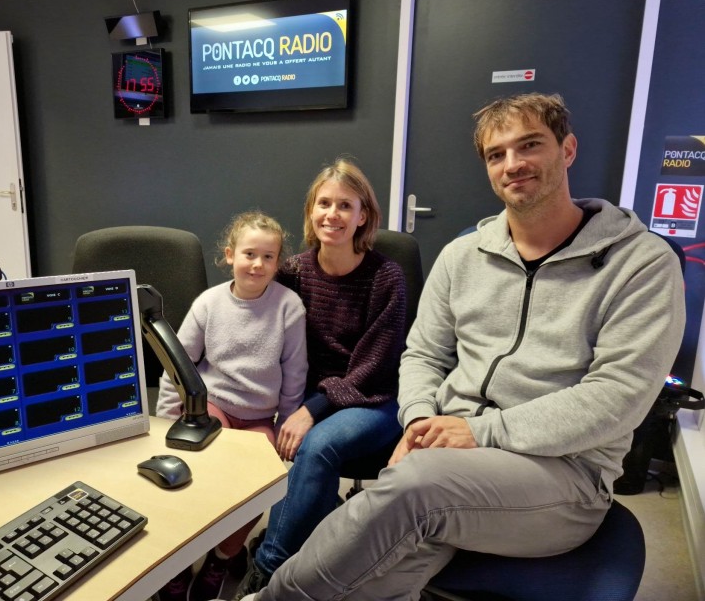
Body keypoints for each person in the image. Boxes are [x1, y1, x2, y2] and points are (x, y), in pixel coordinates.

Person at [231, 92, 686, 600]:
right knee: (372, 569)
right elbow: (424, 354)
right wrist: (419, 420)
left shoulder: (641, 263)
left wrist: (478, 432)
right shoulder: (462, 255)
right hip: (445, 455)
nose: (512, 164)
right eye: (496, 154)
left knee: (409, 494)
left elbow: (617, 397)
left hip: (563, 472)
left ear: (568, 149)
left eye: (529, 145)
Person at [234, 158, 408, 599]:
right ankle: (311, 544)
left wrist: (310, 410)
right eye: (324, 203)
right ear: (311, 210)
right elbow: (255, 325)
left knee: (317, 446)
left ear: (363, 216)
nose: (333, 214)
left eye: (345, 205)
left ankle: (267, 571)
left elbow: (372, 367)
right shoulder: (293, 271)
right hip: (309, 394)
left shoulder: (386, 276)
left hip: (372, 399)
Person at [155, 210, 308, 601]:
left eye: (268, 257)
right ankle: (174, 564)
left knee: (260, 481)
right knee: (201, 468)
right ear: (229, 255)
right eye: (249, 254)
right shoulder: (209, 303)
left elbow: (295, 373)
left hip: (259, 416)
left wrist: (286, 423)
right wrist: (168, 415)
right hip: (213, 404)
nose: (257, 264)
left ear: (278, 262)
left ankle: (222, 557)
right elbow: (179, 362)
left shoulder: (289, 306)